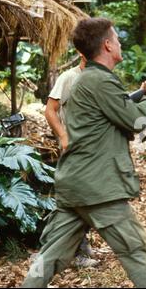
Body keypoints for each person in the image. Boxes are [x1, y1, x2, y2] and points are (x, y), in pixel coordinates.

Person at [22, 17, 146, 288]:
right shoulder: (100, 81)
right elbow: (138, 122)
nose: (121, 43)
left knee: (50, 255)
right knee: (135, 250)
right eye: (118, 39)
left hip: (74, 184)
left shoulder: (85, 80)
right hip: (98, 187)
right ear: (108, 45)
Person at [44, 56, 99, 268]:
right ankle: (74, 252)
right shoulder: (69, 77)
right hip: (74, 149)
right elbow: (50, 110)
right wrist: (63, 137)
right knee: (77, 199)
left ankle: (80, 244)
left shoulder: (99, 77)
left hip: (94, 149)